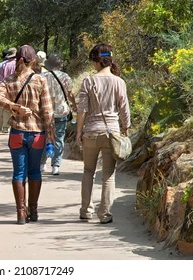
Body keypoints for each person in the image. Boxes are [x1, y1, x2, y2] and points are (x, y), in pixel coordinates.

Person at [0, 45, 55, 224]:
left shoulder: (9, 80)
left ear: (17, 60)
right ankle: (33, 211)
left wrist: (13, 107)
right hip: (37, 133)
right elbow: (48, 112)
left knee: (18, 173)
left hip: (17, 133)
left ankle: (21, 213)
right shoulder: (40, 80)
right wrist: (50, 135)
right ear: (33, 60)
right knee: (35, 171)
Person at [75, 43, 131, 224]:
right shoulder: (119, 82)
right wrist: (126, 127)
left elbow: (81, 110)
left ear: (96, 61)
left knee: (88, 171)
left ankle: (85, 210)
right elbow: (124, 108)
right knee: (108, 175)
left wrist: (78, 132)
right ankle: (105, 213)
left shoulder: (88, 81)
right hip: (111, 132)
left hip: (91, 131)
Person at [41, 54, 77, 175]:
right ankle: (56, 165)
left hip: (45, 111)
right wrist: (74, 105)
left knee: (44, 137)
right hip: (61, 111)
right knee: (59, 138)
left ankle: (42, 163)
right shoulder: (65, 77)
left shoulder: (42, 77)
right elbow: (70, 94)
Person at [0, 47, 17, 133]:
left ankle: (0, 126)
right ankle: (6, 127)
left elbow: (0, 78)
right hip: (14, 87)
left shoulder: (4, 65)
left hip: (4, 86)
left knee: (2, 106)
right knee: (9, 108)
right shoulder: (17, 64)